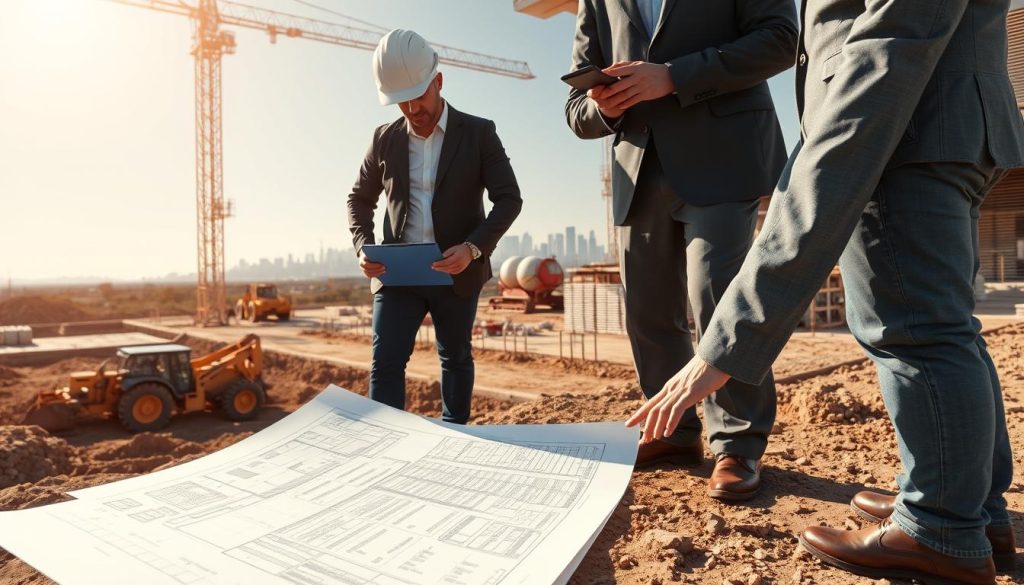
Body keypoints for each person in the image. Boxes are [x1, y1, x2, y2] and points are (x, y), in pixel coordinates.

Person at [627, 0, 1024, 582]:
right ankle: (970, 505)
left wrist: (727, 343)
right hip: (940, 117)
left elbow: (886, 52)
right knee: (944, 325)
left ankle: (940, 526)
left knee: (912, 331)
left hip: (900, 126)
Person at [565, 0, 798, 500]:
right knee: (646, 308)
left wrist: (674, 76)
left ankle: (737, 443)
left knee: (715, 292)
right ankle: (671, 432)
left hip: (723, 155)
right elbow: (574, 111)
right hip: (637, 168)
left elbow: (780, 38)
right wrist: (600, 108)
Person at [347, 29, 522, 424]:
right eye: (401, 102)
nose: (411, 109)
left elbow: (509, 198)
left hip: (457, 269)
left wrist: (474, 249)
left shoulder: (479, 133)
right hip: (397, 274)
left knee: (455, 357)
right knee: (385, 360)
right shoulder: (383, 139)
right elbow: (358, 200)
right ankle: (385, 442)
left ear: (438, 82)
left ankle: (454, 436)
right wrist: (363, 246)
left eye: (418, 97)